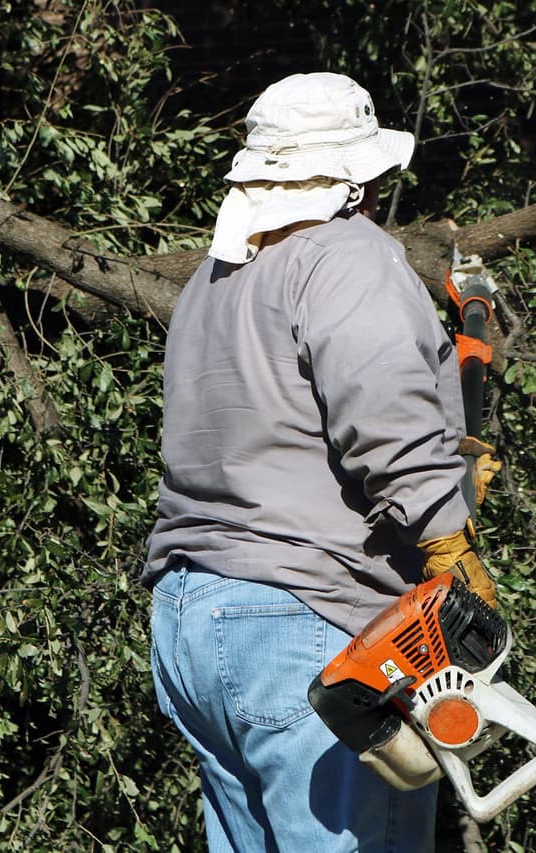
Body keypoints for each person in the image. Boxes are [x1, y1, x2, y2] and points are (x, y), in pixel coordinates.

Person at [143, 71, 498, 853]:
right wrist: (448, 540)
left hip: (191, 622)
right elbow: (390, 424)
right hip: (311, 623)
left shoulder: (213, 281)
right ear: (355, 179)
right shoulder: (348, 254)